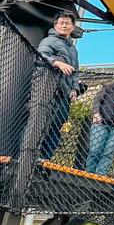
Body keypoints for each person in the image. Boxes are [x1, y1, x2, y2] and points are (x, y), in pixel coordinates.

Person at [36, 11, 80, 160]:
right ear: (55, 25)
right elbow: (41, 55)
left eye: (67, 23)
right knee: (40, 121)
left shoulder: (73, 49)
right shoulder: (49, 41)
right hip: (47, 88)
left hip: (64, 93)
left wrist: (74, 89)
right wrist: (57, 62)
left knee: (57, 126)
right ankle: (32, 155)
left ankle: (46, 158)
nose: (64, 25)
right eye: (61, 23)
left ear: (73, 27)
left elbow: (75, 70)